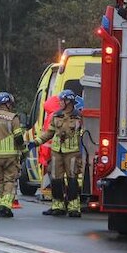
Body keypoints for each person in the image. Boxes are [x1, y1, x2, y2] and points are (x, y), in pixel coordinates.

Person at [38, 89, 83, 217]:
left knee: (72, 179)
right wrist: (37, 142)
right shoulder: (56, 116)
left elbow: (84, 133)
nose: (60, 103)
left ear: (69, 101)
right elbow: (49, 132)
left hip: (72, 152)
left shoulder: (78, 116)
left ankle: (74, 207)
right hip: (57, 152)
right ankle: (58, 206)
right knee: (56, 179)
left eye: (62, 101)